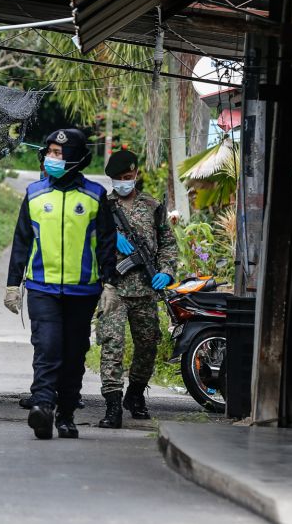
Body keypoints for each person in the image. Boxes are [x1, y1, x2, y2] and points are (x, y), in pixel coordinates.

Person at [3, 128, 118, 440]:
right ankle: (42, 406)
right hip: (43, 288)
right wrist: (13, 284)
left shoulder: (95, 196)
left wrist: (110, 283)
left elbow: (107, 243)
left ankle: (65, 414)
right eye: (50, 152)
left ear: (76, 158)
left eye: (58, 153)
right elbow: (22, 242)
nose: (52, 158)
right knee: (48, 348)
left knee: (74, 354)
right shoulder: (35, 194)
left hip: (84, 290)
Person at [97, 149, 178, 428]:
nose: (124, 182)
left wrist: (166, 273)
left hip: (145, 290)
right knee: (112, 345)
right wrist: (110, 237)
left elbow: (168, 244)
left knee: (147, 345)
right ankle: (111, 404)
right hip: (113, 288)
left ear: (137, 175)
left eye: (128, 177)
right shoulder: (104, 208)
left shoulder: (153, 206)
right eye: (119, 178)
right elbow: (89, 243)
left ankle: (134, 395)